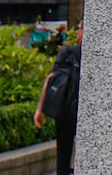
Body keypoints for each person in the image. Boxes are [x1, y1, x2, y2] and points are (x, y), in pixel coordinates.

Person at [35, 23, 82, 174]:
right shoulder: (69, 51)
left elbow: (51, 79)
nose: (78, 31)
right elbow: (51, 78)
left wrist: (40, 109)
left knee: (63, 155)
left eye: (80, 28)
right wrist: (40, 109)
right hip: (69, 112)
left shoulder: (68, 51)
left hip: (66, 110)